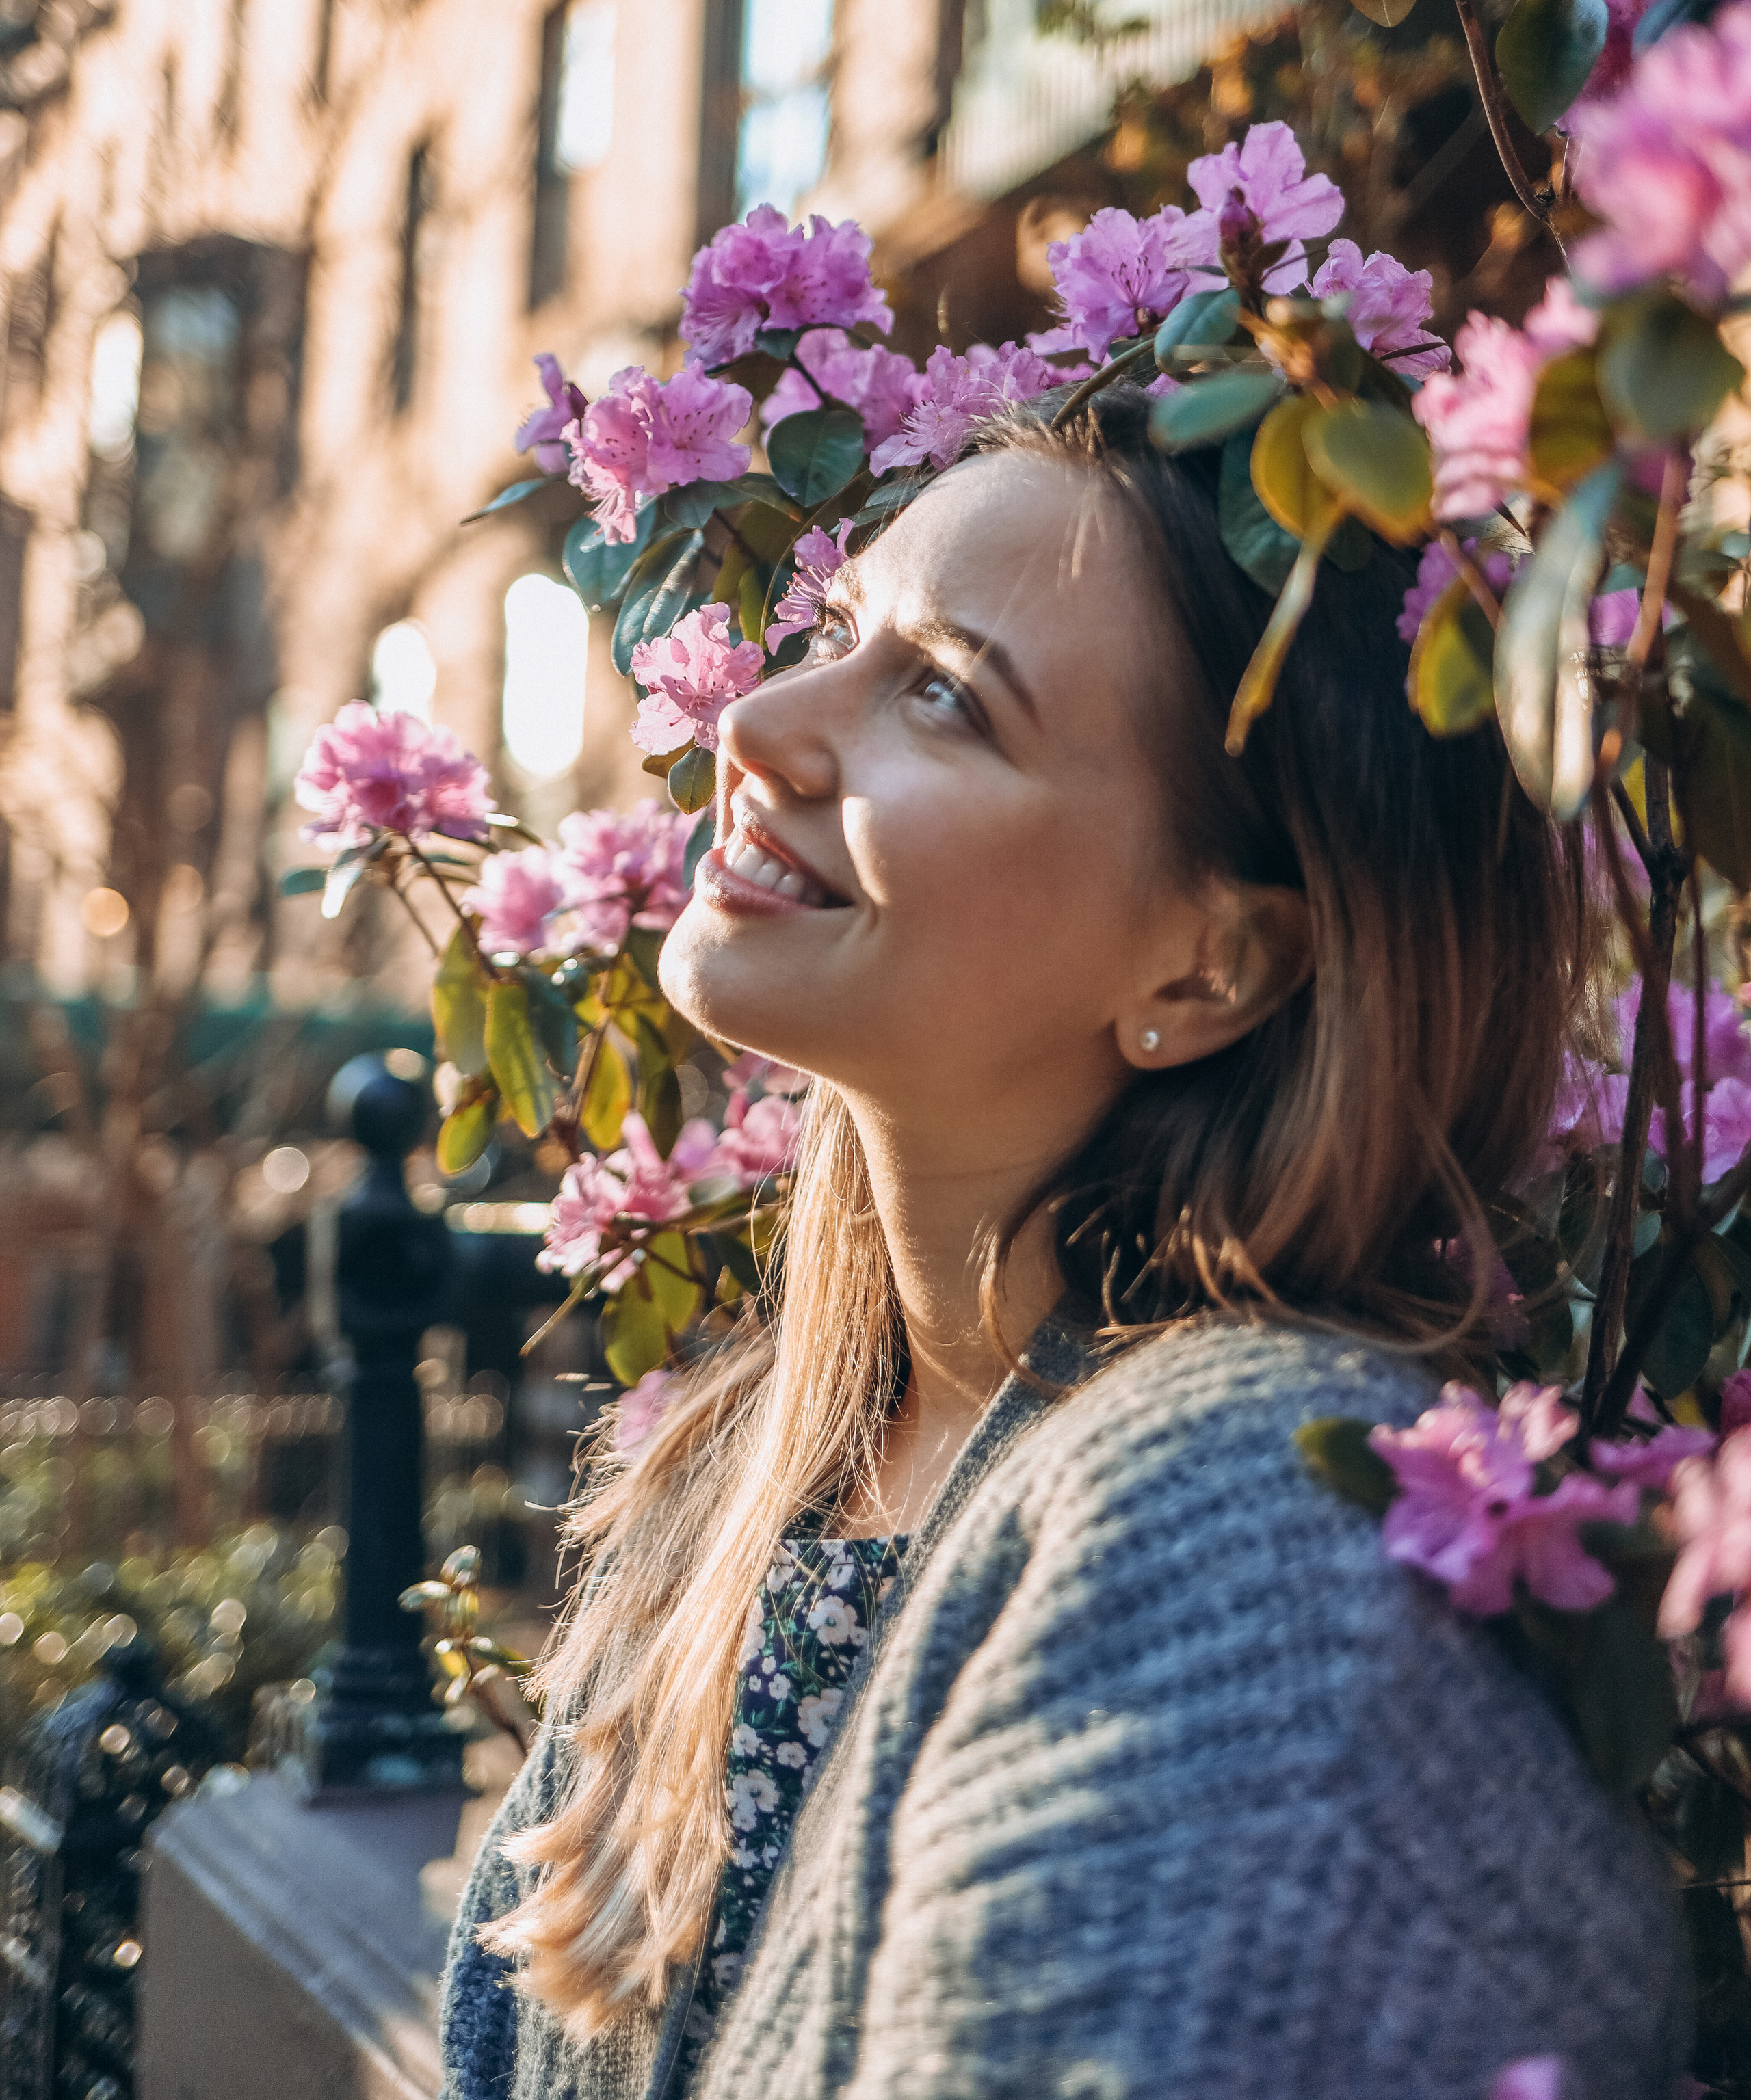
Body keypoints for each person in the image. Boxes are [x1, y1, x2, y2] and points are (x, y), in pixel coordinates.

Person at [440, 386, 1689, 2100]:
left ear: (1207, 969)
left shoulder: (1242, 1541)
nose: (769, 723)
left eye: (940, 697)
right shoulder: (744, 1476)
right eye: (837, 632)